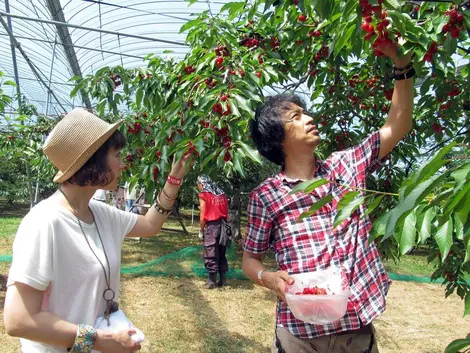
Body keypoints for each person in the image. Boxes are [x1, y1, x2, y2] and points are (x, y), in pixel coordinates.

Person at [242, 43, 414, 352]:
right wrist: (267, 277)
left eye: (305, 113)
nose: (308, 119)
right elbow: (249, 258)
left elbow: (397, 124)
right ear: (277, 138)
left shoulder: (345, 166)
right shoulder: (266, 196)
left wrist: (402, 67)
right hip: (299, 334)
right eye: (296, 117)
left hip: (354, 330)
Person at [3, 108, 192, 353]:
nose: (123, 164)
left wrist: (174, 180)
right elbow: (19, 320)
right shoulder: (44, 223)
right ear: (92, 161)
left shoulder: (101, 214)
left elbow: (150, 224)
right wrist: (100, 340)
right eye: (117, 155)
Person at [197, 175, 229, 289]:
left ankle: (211, 281)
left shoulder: (204, 194)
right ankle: (223, 280)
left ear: (202, 184)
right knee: (221, 251)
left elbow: (202, 214)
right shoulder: (222, 193)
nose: (198, 187)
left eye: (198, 185)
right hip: (223, 225)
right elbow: (227, 211)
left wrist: (201, 229)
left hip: (212, 225)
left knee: (210, 251)